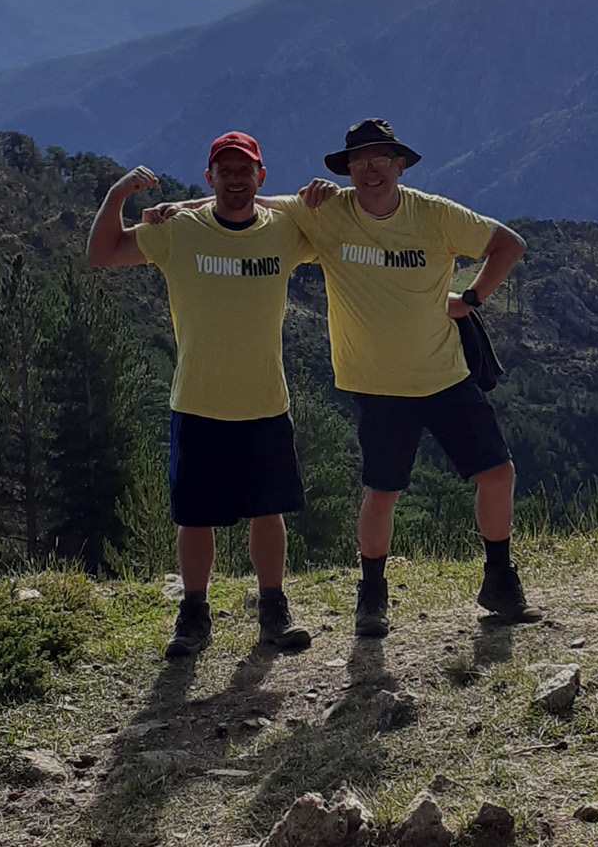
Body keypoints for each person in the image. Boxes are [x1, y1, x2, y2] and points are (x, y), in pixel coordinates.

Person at [148, 118, 538, 638]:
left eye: (381, 160)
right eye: (361, 161)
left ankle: (499, 579)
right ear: (348, 168)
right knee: (382, 492)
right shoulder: (326, 211)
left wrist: (469, 299)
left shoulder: (436, 215)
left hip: (445, 373)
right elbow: (244, 202)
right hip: (377, 384)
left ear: (400, 165)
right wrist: (178, 210)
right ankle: (371, 598)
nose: (372, 170)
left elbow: (507, 244)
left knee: (496, 473)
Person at [86, 130, 316, 659]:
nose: (236, 179)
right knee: (194, 517)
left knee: (269, 511)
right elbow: (102, 254)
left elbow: (334, 223)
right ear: (209, 176)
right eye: (225, 171)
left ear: (262, 176)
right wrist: (119, 193)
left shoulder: (282, 228)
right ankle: (193, 614)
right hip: (197, 401)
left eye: (245, 171)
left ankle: (273, 608)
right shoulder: (179, 231)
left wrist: (320, 193)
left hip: (264, 400)